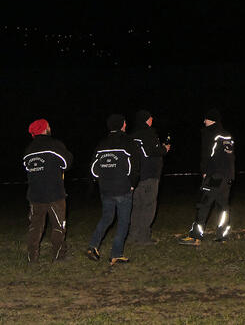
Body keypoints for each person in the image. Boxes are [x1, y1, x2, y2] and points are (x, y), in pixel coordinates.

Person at [86, 114, 140, 265]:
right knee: (123, 222)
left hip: (106, 189)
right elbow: (135, 166)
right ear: (123, 125)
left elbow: (93, 169)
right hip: (123, 188)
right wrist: (132, 183)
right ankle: (116, 254)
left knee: (106, 218)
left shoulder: (101, 144)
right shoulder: (128, 142)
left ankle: (93, 246)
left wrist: (101, 180)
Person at [179, 108, 235, 245]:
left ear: (211, 119)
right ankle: (223, 236)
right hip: (227, 177)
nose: (204, 121)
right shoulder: (226, 135)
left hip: (214, 176)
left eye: (206, 119)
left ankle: (196, 236)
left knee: (203, 204)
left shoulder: (211, 134)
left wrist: (204, 170)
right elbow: (230, 156)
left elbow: (208, 155)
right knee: (222, 207)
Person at [23, 118, 73, 263]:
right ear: (45, 129)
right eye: (49, 126)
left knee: (35, 227)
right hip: (54, 194)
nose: (50, 128)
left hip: (35, 195)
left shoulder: (28, 150)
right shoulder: (54, 145)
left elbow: (28, 169)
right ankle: (59, 256)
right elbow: (66, 163)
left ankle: (32, 257)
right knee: (58, 226)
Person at [129, 109, 171, 245]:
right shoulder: (148, 133)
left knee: (136, 207)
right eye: (151, 117)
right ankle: (143, 238)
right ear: (147, 119)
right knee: (148, 206)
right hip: (149, 176)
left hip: (135, 178)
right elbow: (152, 151)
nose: (152, 119)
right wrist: (164, 149)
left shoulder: (132, 135)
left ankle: (132, 236)